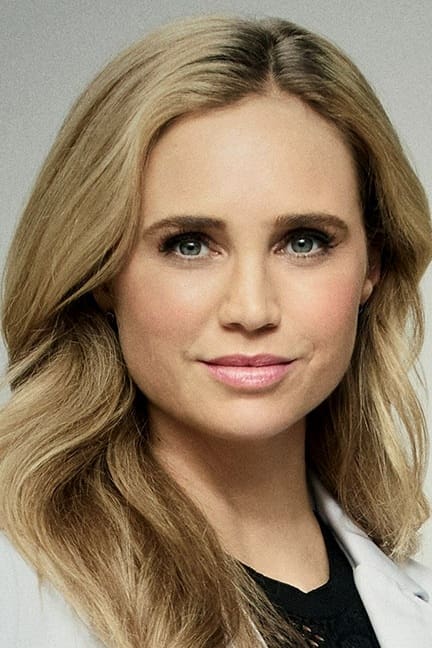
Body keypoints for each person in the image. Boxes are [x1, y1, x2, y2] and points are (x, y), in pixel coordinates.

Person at [0, 13, 431, 648]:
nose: (252, 309)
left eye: (304, 241)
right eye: (190, 244)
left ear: (374, 265)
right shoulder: (17, 595)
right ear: (102, 273)